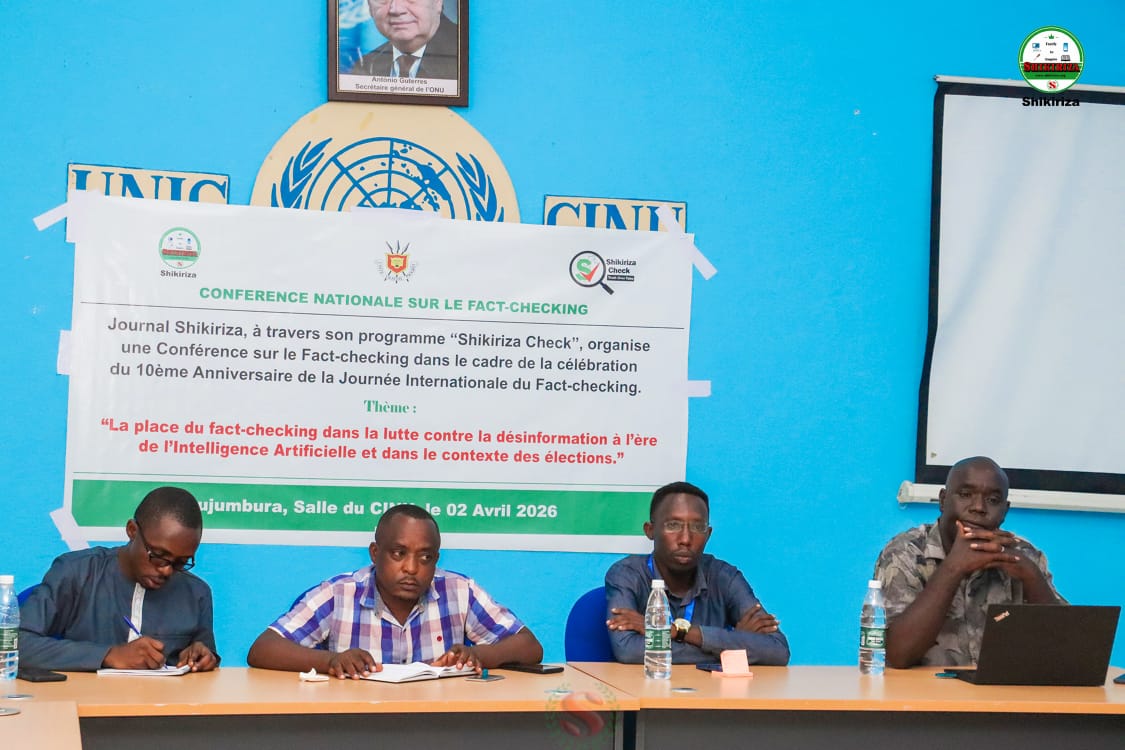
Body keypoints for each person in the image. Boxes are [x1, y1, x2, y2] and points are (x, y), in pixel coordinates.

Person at [247, 503, 542, 678]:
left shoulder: (459, 590)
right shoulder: (339, 594)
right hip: (353, 726)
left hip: (438, 726)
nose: (411, 568)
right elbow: (263, 649)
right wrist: (331, 661)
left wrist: (478, 655)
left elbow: (529, 646)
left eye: (425, 557)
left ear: (436, 560)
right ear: (375, 554)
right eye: (399, 554)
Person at [873, 456, 1064, 668]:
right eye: (965, 495)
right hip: (927, 689)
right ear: (943, 500)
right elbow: (897, 655)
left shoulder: (1023, 555)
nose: (979, 507)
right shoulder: (905, 552)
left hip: (1002, 688)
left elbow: (1067, 650)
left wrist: (1032, 577)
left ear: (1005, 511)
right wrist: (953, 568)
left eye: (993, 500)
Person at [19, 486, 218, 672]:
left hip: (164, 699)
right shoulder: (76, 573)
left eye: (181, 562)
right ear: (132, 530)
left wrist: (201, 657)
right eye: (158, 556)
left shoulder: (196, 593)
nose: (167, 570)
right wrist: (108, 655)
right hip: (84, 697)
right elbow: (15, 643)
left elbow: (204, 656)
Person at [604, 481, 790, 665]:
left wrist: (681, 632)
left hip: (712, 686)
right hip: (647, 683)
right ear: (650, 530)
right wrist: (733, 645)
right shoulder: (626, 575)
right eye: (673, 525)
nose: (685, 539)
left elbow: (778, 650)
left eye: (698, 527)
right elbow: (629, 650)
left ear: (708, 534)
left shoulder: (725, 577)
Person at [348, 0, 458, 80]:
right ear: (369, 6)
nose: (396, 9)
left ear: (438, 2)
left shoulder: (464, 59)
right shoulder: (364, 67)